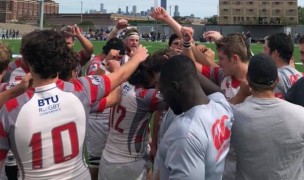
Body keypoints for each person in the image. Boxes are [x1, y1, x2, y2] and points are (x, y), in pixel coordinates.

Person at [0, 30, 149, 179]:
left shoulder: (11, 110)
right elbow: (120, 75)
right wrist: (137, 58)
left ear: (27, 60)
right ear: (61, 58)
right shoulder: (81, 89)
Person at [156, 54, 233, 179]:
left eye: (163, 92)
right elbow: (217, 91)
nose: (163, 98)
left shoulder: (185, 132)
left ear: (175, 87)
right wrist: (184, 69)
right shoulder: (221, 107)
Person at [231, 53, 304, 179]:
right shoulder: (300, 114)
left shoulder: (234, 116)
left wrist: (238, 97)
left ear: (247, 79)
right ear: (277, 81)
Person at [85, 37, 125, 180]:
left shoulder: (109, 62)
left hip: (109, 116)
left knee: (108, 158)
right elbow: (91, 86)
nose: (118, 60)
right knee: (96, 160)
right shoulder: (96, 64)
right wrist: (105, 63)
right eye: (117, 57)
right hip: (97, 119)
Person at [263, 32, 302, 98]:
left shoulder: (275, 78)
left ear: (275, 53)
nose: (263, 52)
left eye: (265, 49)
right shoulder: (300, 75)